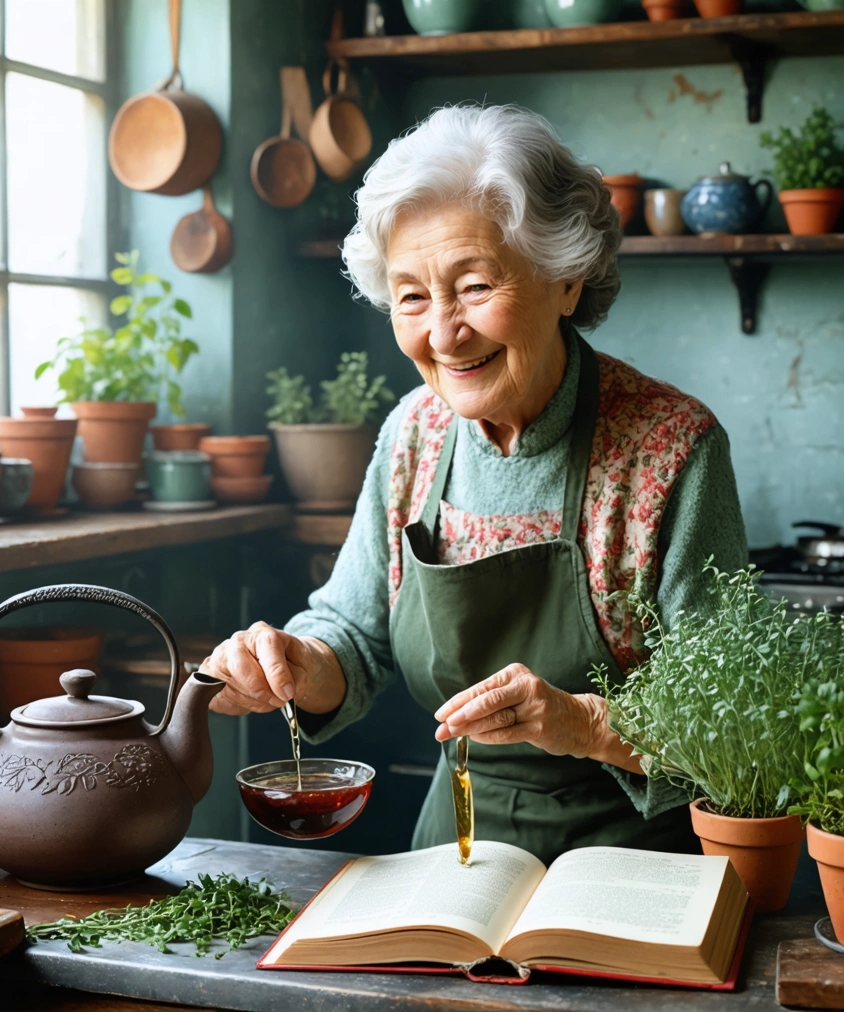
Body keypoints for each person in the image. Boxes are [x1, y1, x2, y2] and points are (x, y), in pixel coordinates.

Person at [201, 105, 748, 861]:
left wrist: (586, 725)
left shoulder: (672, 447)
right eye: (413, 297)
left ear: (565, 278)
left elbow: (734, 723)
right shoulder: (412, 434)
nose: (444, 332)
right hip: (455, 856)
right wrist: (296, 664)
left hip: (634, 867)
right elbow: (353, 638)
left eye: (475, 285)